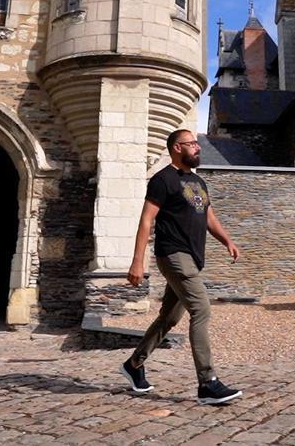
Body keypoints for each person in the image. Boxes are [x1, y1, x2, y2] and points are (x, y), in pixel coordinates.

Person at [120, 128, 243, 405]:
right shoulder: (162, 180)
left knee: (169, 318)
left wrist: (227, 241)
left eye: (197, 144)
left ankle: (134, 365)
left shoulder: (198, 182)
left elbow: (208, 216)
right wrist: (138, 261)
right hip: (173, 254)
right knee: (201, 308)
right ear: (177, 148)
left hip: (192, 257)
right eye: (191, 144)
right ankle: (208, 382)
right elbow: (146, 221)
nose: (198, 148)